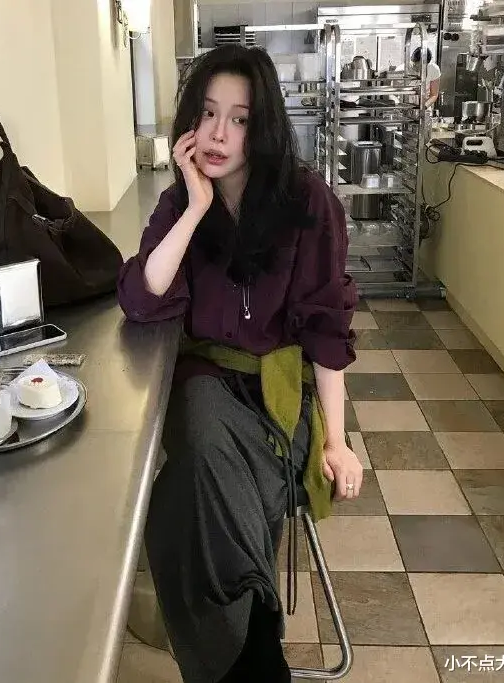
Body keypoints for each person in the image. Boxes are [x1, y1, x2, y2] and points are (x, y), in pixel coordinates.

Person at [117, 44, 363, 683]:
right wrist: (195, 207)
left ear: (264, 126)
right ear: (188, 123)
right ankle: (256, 657)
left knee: (193, 488)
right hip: (206, 385)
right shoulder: (179, 205)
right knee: (201, 427)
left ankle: (236, 656)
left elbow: (326, 330)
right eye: (207, 114)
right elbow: (142, 298)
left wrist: (336, 441)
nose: (219, 134)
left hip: (278, 400)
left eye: (240, 118)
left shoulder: (308, 203)